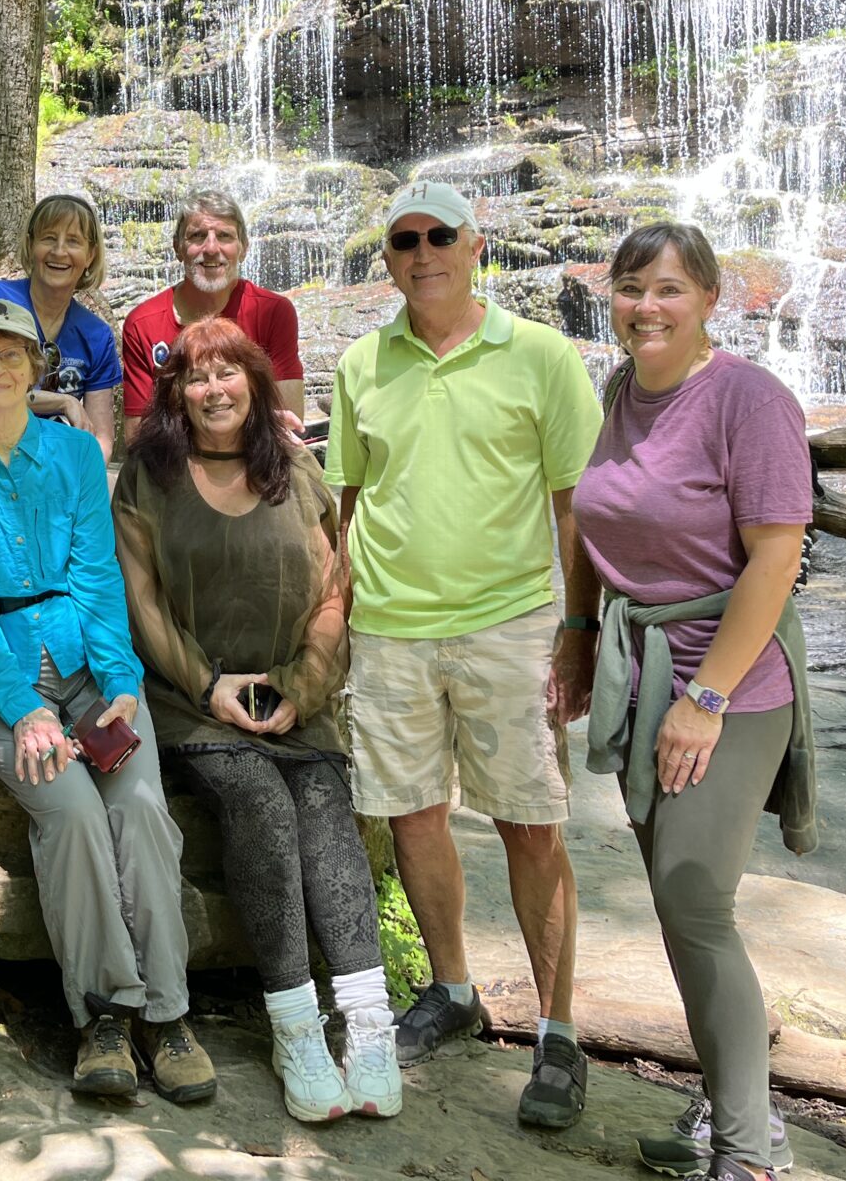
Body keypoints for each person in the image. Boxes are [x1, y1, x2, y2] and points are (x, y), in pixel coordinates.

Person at [322, 178, 601, 1132]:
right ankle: (452, 988)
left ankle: (560, 1029)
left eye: (441, 235)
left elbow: (578, 505)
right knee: (413, 814)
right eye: (405, 240)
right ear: (389, 258)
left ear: (476, 245)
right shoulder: (363, 363)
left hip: (513, 623)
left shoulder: (541, 355)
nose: (423, 252)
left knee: (533, 824)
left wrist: (580, 627)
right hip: (390, 628)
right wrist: (335, 618)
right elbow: (348, 503)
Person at [556, 222, 816, 1181]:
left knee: (693, 900)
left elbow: (778, 557)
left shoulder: (749, 400)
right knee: (679, 907)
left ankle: (747, 1158)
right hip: (645, 669)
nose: (646, 307)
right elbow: (587, 515)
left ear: (711, 298)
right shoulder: (621, 389)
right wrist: (582, 638)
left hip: (732, 687)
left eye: (668, 289)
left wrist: (704, 698)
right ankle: (738, 1114)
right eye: (631, 288)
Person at [0, 299, 216, 1105]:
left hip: (89, 668)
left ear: (36, 367)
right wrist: (22, 709)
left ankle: (171, 1014)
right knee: (72, 812)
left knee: (141, 806)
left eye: (10, 353)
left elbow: (98, 575)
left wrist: (120, 682)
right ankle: (107, 1016)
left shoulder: (77, 456)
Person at [114, 318, 402, 1124]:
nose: (213, 390)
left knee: (323, 807)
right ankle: (296, 1027)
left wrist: (304, 685)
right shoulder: (149, 478)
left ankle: (369, 1023)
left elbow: (335, 589)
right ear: (175, 394)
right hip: (192, 704)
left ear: (254, 382)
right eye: (195, 378)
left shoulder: (295, 467)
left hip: (291, 698)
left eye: (227, 373)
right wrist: (208, 687)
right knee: (261, 804)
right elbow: (141, 603)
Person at [120, 190, 302, 443]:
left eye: (225, 236)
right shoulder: (143, 324)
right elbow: (137, 438)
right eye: (197, 236)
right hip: (173, 470)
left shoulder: (274, 312)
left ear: (244, 248)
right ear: (178, 248)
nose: (211, 248)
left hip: (257, 467)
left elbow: (289, 421)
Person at [0, 192, 122, 460]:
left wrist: (85, 483)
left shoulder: (97, 334)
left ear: (90, 255)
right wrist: (64, 401)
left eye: (73, 241)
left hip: (59, 471)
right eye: (49, 238)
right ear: (30, 245)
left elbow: (101, 439)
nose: (59, 251)